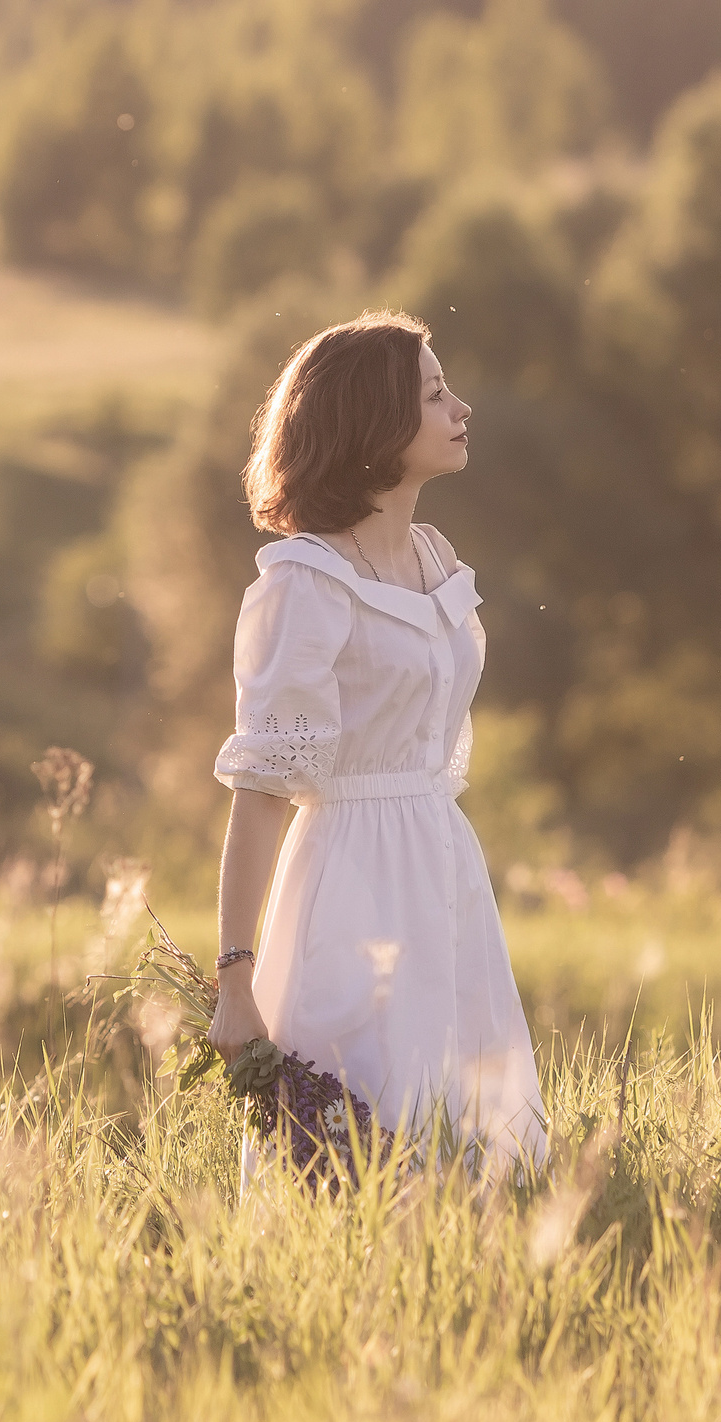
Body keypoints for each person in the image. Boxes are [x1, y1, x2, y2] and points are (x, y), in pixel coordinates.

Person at [207, 310, 548, 1182]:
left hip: (443, 861)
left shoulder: (434, 558)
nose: (461, 407)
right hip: (351, 875)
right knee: (363, 1127)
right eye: (436, 394)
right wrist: (235, 978)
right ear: (375, 425)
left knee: (472, 1125)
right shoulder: (305, 584)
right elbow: (262, 789)